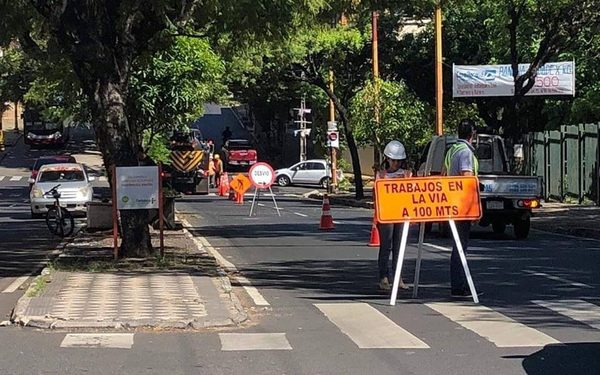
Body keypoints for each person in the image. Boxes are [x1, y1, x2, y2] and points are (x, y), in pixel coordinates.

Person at [444, 118, 479, 297]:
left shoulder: (452, 150)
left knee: (458, 246)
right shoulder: (465, 152)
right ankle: (459, 286)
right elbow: (467, 180)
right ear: (472, 134)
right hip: (462, 206)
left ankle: (459, 283)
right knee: (460, 246)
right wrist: (474, 206)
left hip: (452, 204)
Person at [377, 140, 412, 291]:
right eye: (393, 160)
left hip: (402, 215)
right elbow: (378, 194)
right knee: (386, 246)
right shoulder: (381, 175)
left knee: (399, 247)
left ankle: (398, 278)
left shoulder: (406, 175)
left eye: (399, 161)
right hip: (386, 216)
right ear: (387, 159)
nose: (396, 164)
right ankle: (383, 277)